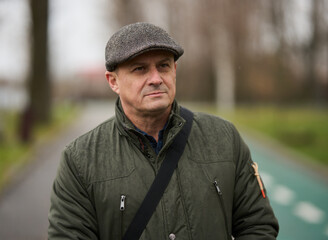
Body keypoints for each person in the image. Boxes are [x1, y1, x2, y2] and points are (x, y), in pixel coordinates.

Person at [48, 22, 279, 240]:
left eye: (163, 66)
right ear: (113, 81)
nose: (156, 79)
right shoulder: (80, 160)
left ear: (174, 70)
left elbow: (258, 225)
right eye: (140, 69)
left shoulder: (224, 138)